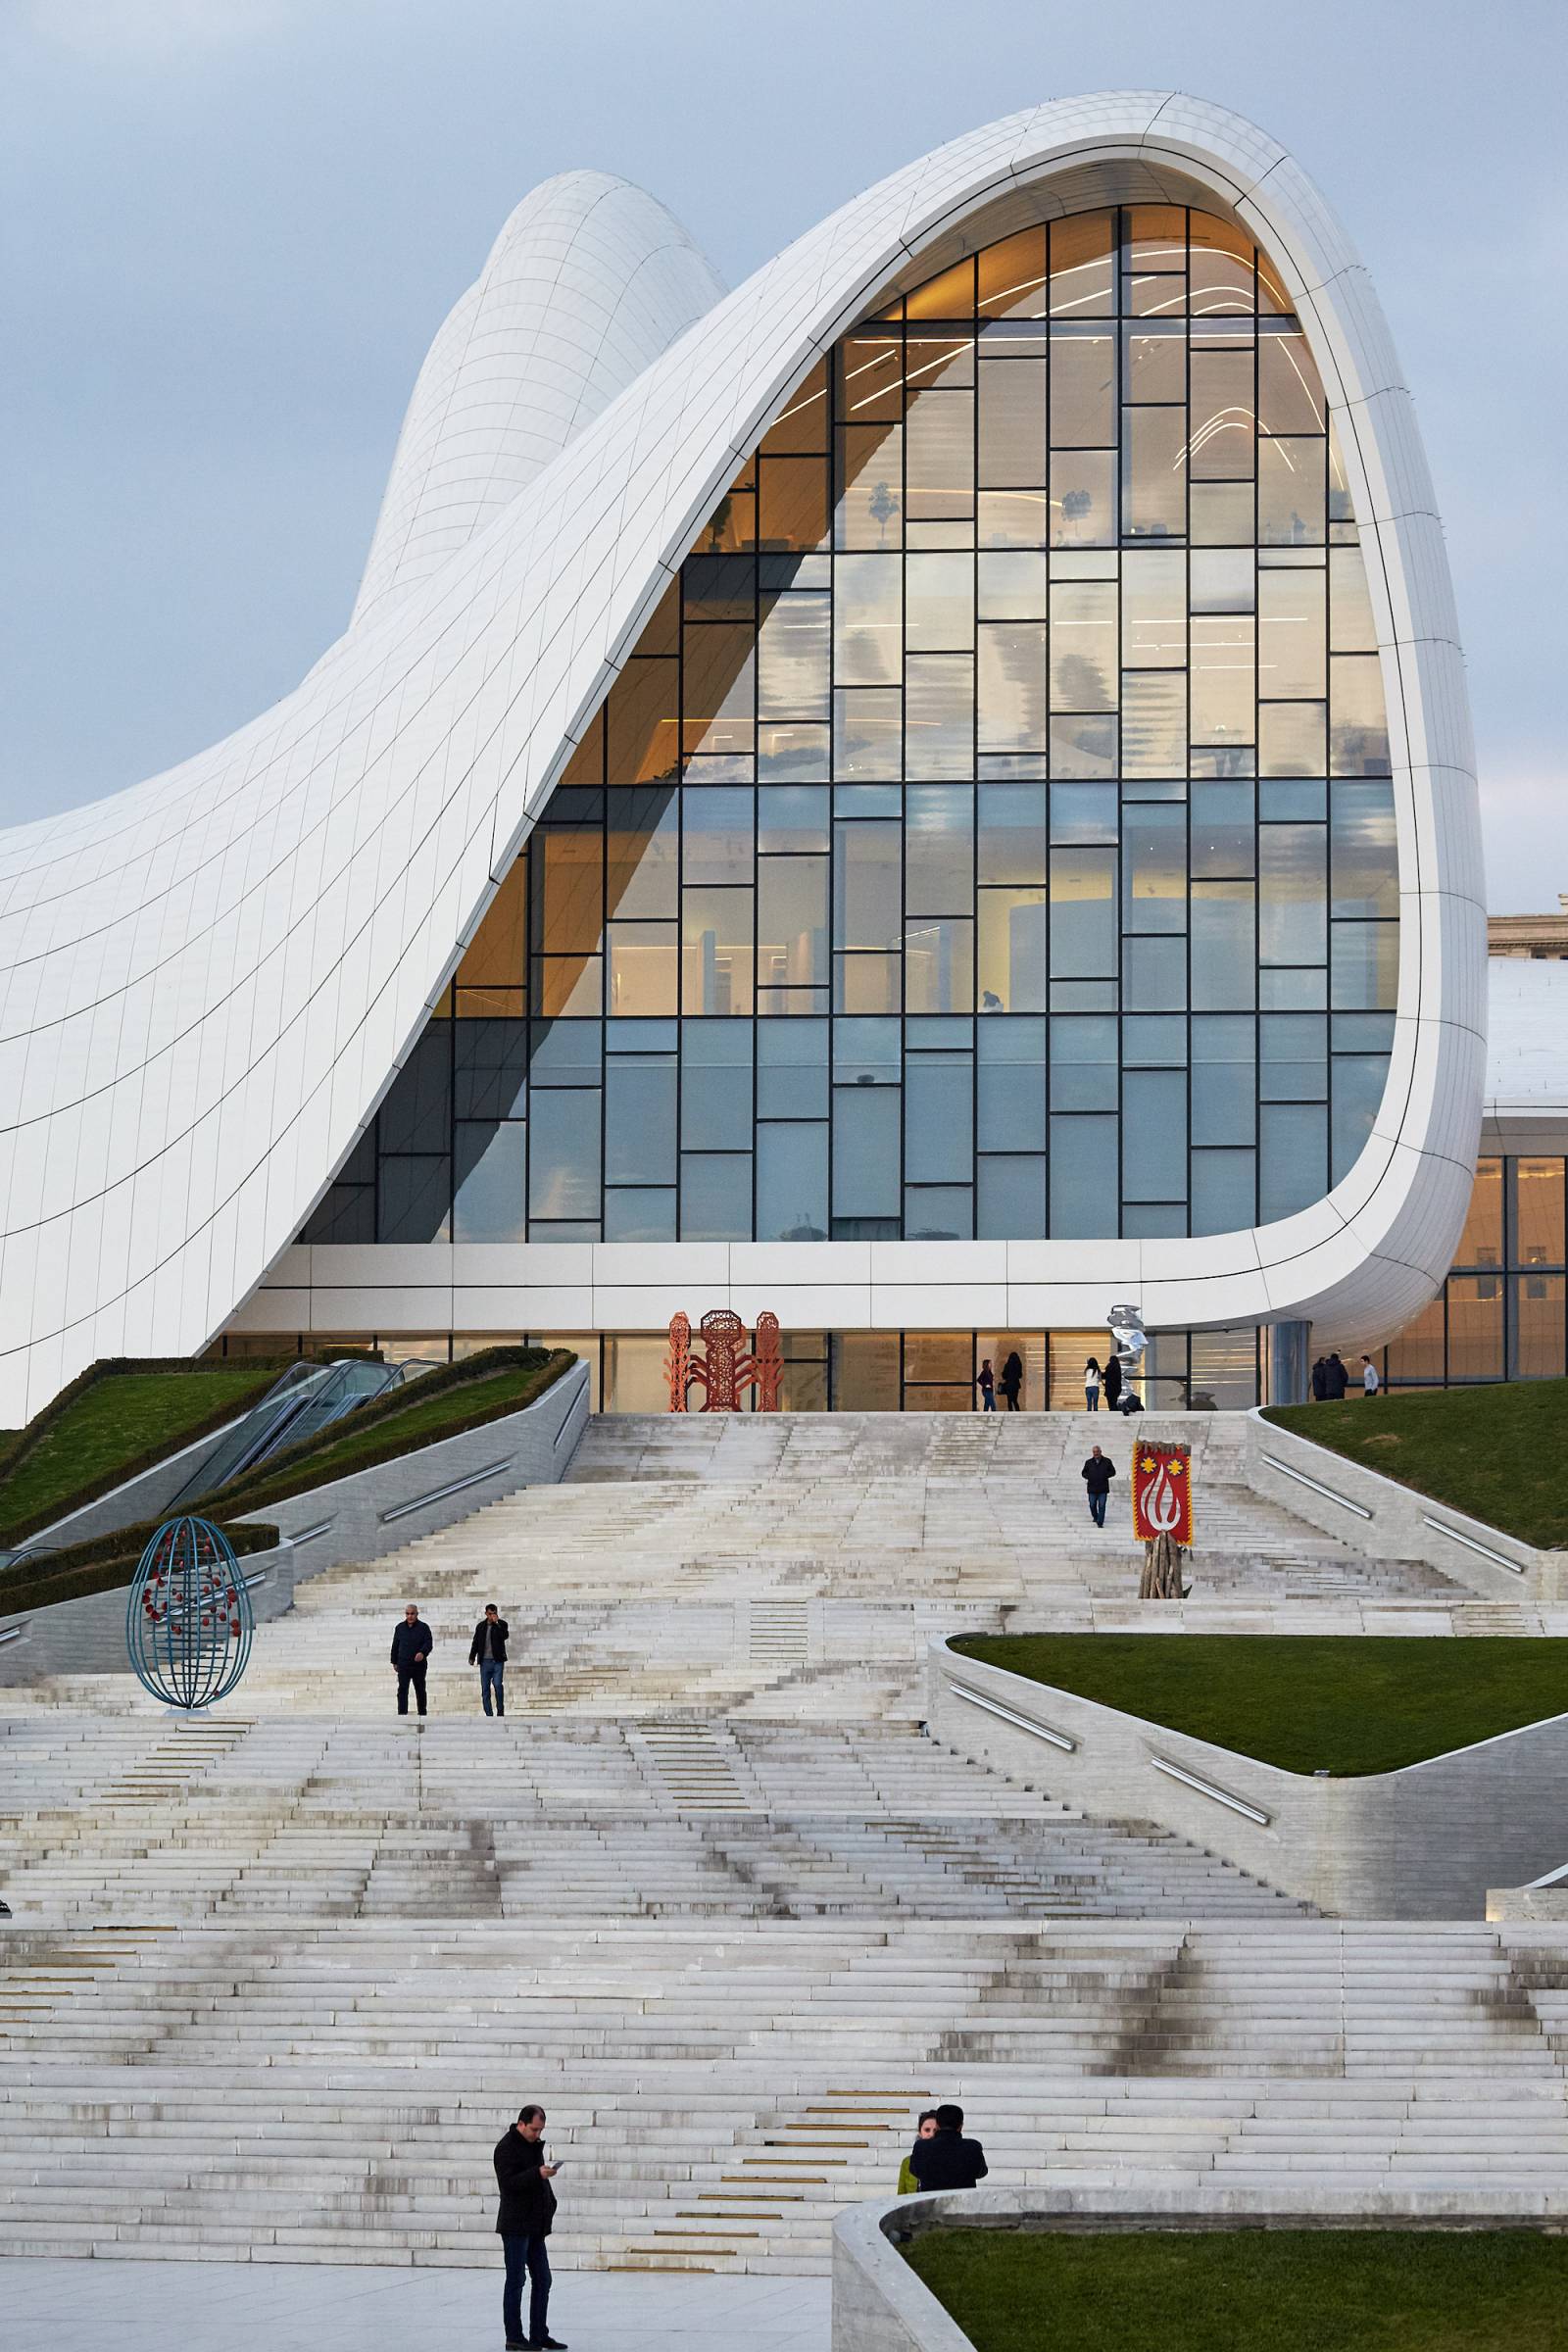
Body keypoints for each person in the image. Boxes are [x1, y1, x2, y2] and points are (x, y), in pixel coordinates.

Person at [494, 2103, 565, 2351]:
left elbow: (536, 2178)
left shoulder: (534, 2146)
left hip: (535, 2225)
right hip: (515, 2225)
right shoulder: (506, 2148)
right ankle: (514, 2336)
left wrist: (549, 2200)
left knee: (543, 2279)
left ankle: (538, 2334)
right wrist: (538, 2174)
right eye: (534, 2129)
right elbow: (508, 2184)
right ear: (521, 2124)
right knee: (516, 2280)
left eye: (541, 2130)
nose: (538, 2134)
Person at [907, 2103, 988, 2193]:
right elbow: (982, 2172)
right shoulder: (973, 2147)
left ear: (937, 2125)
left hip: (931, 2205)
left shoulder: (921, 2147)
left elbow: (914, 2170)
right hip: (962, 2203)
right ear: (960, 2126)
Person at [390, 1603, 433, 1718]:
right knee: (402, 1690)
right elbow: (395, 1645)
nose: (410, 1616)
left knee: (420, 1689)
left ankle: (422, 1713)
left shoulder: (424, 1627)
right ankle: (402, 1714)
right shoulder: (399, 1628)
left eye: (412, 1614)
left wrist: (422, 1653)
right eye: (408, 1614)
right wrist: (394, 1661)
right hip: (403, 1664)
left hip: (419, 1665)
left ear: (417, 1614)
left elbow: (428, 1643)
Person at [468, 1603, 510, 1718]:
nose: (492, 1616)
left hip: (497, 1661)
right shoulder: (480, 1626)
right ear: (486, 1614)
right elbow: (476, 1642)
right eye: (490, 1614)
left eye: (494, 1613)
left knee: (497, 1685)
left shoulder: (502, 1624)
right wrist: (472, 1656)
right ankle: (489, 1714)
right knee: (485, 1689)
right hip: (485, 1662)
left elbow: (505, 1636)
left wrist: (497, 1623)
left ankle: (500, 1711)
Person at [898, 2110, 940, 2195]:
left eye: (935, 2130)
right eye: (927, 2130)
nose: (931, 2134)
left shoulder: (947, 2159)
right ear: (920, 2132)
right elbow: (901, 2194)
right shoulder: (907, 2162)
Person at [1082, 1445, 1116, 1528]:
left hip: (1103, 1488)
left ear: (1100, 1452)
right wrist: (1090, 1476)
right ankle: (1095, 1517)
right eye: (1094, 1452)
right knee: (1092, 1505)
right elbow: (1083, 1473)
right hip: (1092, 1488)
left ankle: (1100, 1523)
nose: (1096, 1453)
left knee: (1102, 1506)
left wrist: (1104, 1475)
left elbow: (1113, 1472)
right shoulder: (1088, 1462)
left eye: (1097, 1452)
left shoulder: (1107, 1461)